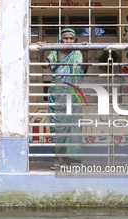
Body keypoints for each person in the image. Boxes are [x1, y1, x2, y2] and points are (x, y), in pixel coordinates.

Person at [37, 28, 89, 170]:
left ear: (75, 41)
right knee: (58, 128)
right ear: (60, 40)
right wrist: (41, 51)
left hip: (73, 95)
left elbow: (84, 69)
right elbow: (45, 65)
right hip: (57, 94)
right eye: (65, 38)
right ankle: (60, 161)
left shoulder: (78, 53)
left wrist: (85, 53)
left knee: (72, 127)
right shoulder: (54, 52)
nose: (68, 41)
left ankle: (71, 162)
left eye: (71, 39)